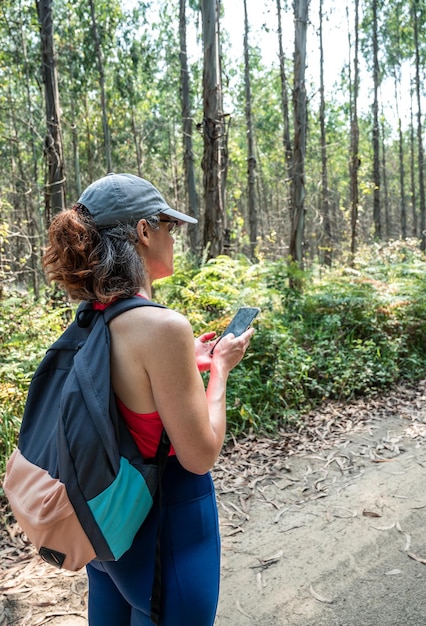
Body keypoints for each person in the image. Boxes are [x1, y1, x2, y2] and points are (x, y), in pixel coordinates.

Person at [42, 173, 254, 626]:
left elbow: (123, 395)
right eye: (167, 226)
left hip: (109, 527)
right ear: (143, 231)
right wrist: (219, 370)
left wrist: (186, 361)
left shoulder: (93, 317)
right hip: (169, 527)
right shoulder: (162, 327)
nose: (172, 238)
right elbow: (200, 454)